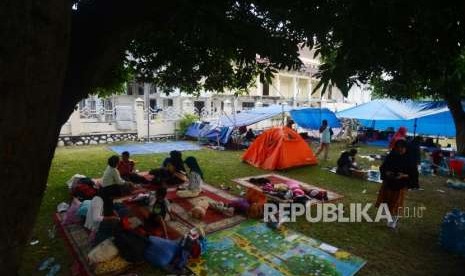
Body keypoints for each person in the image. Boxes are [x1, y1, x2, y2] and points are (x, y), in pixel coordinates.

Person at [376, 140, 410, 229]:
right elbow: (383, 167)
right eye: (398, 147)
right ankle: (387, 217)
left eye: (402, 148)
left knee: (397, 203)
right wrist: (387, 172)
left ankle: (392, 223)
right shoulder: (391, 156)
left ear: (406, 148)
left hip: (400, 185)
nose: (400, 149)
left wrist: (403, 175)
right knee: (386, 201)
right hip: (389, 182)